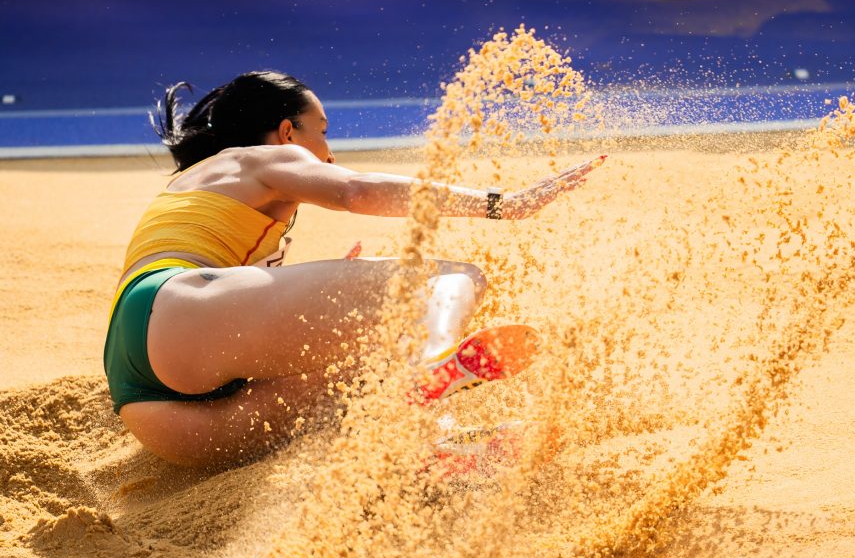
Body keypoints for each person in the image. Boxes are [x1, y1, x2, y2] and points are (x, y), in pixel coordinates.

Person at [103, 70, 600, 467]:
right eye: (322, 131)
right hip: (176, 308)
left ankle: (434, 450)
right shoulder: (252, 159)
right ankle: (435, 355)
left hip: (157, 414)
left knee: (360, 371)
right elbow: (355, 190)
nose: (329, 150)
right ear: (286, 133)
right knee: (449, 279)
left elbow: (226, 301)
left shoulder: (194, 185)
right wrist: (501, 203)